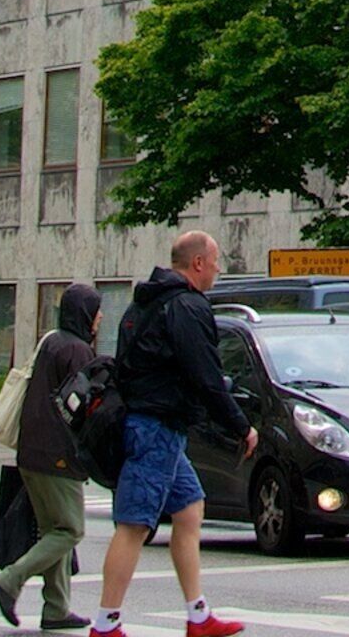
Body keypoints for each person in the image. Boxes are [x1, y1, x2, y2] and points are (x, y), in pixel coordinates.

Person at [99, 232, 254, 637]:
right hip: (157, 427)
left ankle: (198, 615)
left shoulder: (143, 303)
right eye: (216, 261)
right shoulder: (187, 306)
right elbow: (205, 374)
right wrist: (240, 425)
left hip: (152, 424)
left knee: (189, 509)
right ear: (198, 263)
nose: (218, 270)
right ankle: (106, 624)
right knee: (134, 525)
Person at [0, 285, 101, 631]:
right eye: (96, 311)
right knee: (69, 529)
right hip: (58, 455)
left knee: (54, 529)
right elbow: (84, 407)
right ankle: (10, 581)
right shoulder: (77, 350)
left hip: (32, 452)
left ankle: (56, 608)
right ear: (84, 313)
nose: (99, 318)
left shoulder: (52, 342)